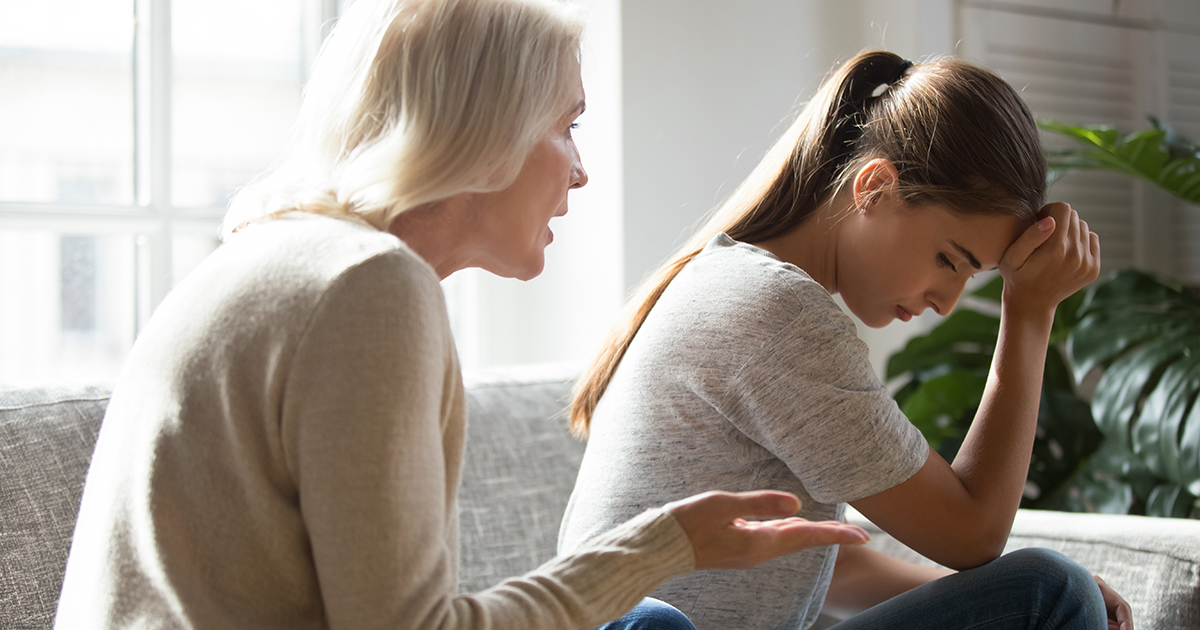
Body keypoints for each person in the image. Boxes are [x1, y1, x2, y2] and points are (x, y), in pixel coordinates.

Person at [53, 1, 873, 629]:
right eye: (567, 126)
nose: (580, 171)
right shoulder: (368, 285)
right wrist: (662, 547)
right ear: (485, 131)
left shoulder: (276, 253)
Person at [559, 51, 1133, 630]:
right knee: (1053, 591)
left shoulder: (732, 282)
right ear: (875, 188)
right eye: (948, 260)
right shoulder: (776, 312)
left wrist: (997, 603)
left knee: (1048, 595)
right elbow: (973, 534)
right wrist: (1030, 312)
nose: (946, 302)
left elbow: (831, 568)